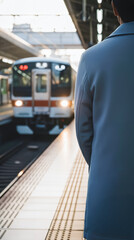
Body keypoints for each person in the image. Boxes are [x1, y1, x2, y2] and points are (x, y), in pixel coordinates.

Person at [74, 0, 134, 240]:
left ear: (115, 10)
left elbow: (83, 130)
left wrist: (102, 165)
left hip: (108, 191)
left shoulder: (91, 58)